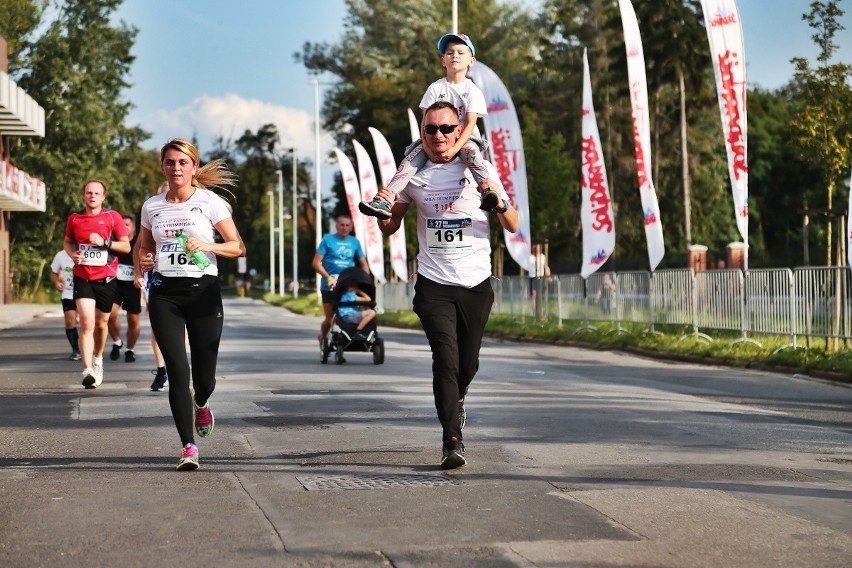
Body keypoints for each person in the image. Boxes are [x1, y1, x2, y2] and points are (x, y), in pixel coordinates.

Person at [374, 101, 519, 470]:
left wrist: (498, 202)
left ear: (459, 131)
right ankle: (451, 441)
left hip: (475, 283)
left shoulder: (477, 169)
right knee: (446, 359)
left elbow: (514, 224)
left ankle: (459, 399)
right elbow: (391, 228)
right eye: (429, 130)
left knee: (467, 365)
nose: (437, 136)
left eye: (444, 128)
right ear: (421, 135)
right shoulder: (412, 175)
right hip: (433, 283)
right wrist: (383, 209)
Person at [135, 138, 245, 470]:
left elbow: (237, 246)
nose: (176, 168)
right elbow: (142, 249)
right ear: (163, 167)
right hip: (165, 294)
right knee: (177, 373)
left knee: (204, 378)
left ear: (194, 167)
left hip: (203, 293)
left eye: (183, 162)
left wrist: (207, 246)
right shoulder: (152, 206)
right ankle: (188, 446)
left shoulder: (210, 202)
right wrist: (145, 260)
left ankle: (203, 402)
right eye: (170, 162)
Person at [359, 32, 498, 219]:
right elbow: (425, 122)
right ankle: (386, 199)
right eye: (449, 53)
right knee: (409, 160)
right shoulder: (435, 88)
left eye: (460, 52)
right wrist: (427, 146)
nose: (454, 56)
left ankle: (487, 192)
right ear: (443, 60)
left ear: (471, 61)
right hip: (434, 138)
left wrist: (454, 149)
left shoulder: (472, 90)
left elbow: (470, 123)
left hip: (464, 139)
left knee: (471, 153)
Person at [64, 179, 131, 388]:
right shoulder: (74, 219)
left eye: (96, 193)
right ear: (83, 195)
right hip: (83, 276)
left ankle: (98, 359)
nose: (92, 196)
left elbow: (126, 246)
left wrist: (105, 243)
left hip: (107, 278)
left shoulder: (113, 217)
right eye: (88, 192)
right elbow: (67, 241)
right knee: (86, 323)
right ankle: (87, 370)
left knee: (102, 323)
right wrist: (72, 254)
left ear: (103, 196)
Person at [311, 215, 368, 348]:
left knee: (349, 313)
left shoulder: (354, 242)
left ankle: (352, 336)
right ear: (337, 226)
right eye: (342, 225)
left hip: (348, 284)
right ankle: (323, 336)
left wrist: (364, 279)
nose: (344, 228)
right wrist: (328, 277)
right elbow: (316, 263)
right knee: (330, 317)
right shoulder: (327, 240)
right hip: (329, 285)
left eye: (347, 225)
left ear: (351, 227)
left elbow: (363, 263)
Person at [108, 215, 142, 362]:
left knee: (133, 320)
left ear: (133, 226)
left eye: (127, 224)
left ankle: (130, 349)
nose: (125, 227)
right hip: (115, 283)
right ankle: (117, 341)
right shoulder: (115, 241)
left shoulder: (138, 242)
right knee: (110, 315)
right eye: (122, 224)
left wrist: (139, 276)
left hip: (132, 284)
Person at [49, 249, 81, 360]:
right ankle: (76, 350)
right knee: (69, 320)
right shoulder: (61, 255)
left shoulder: (87, 251)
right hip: (68, 292)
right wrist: (57, 282)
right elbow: (53, 273)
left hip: (85, 292)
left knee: (87, 321)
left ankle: (90, 347)